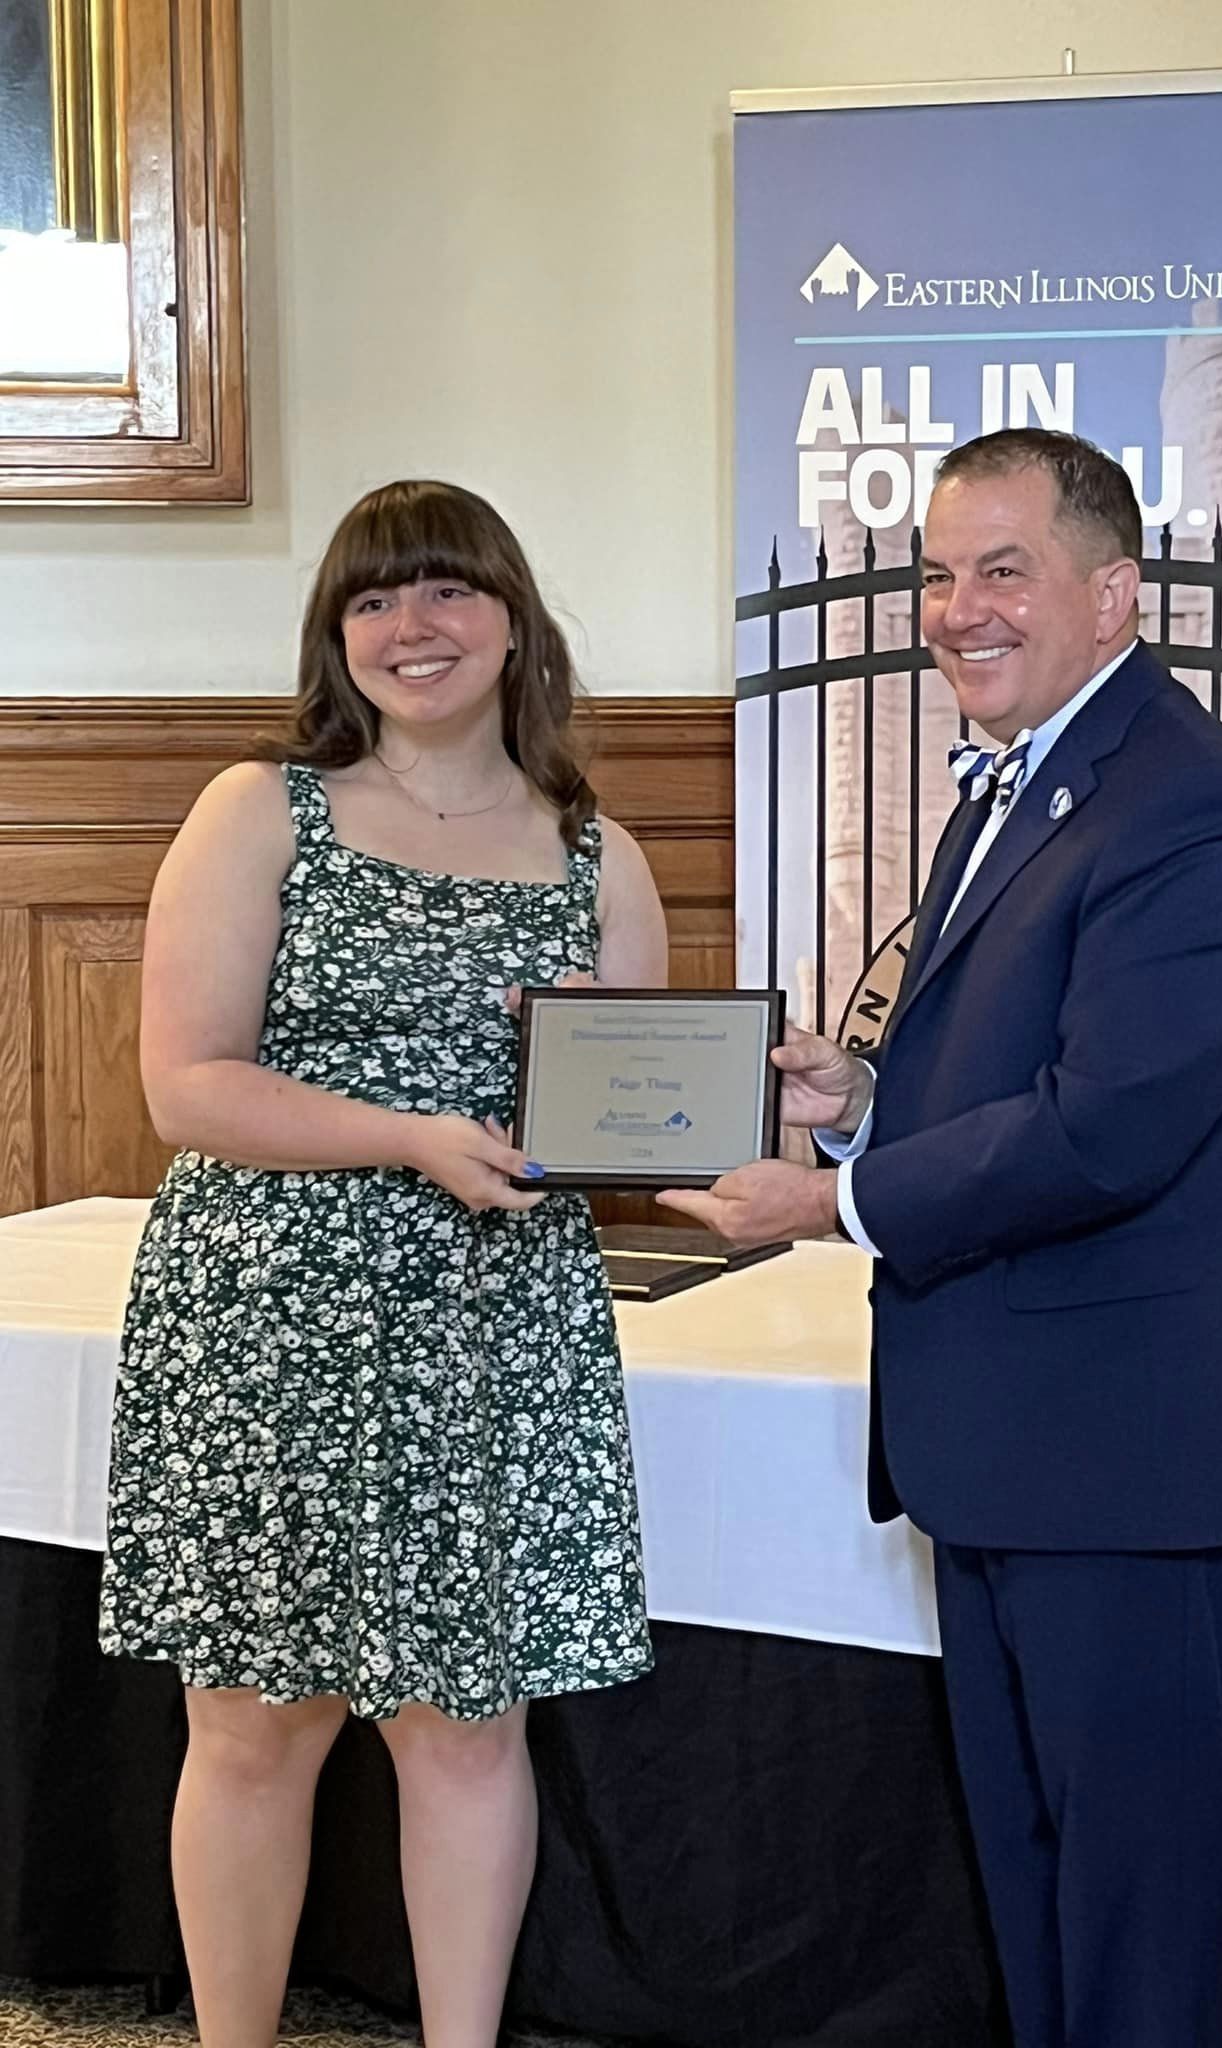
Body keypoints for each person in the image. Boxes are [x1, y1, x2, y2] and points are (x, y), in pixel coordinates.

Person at [660, 429, 1222, 2048]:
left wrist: (831, 1201)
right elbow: (1022, 1080)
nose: (957, 610)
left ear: (1117, 592)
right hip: (1018, 1446)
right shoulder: (1022, 782)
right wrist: (864, 1104)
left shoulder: (1199, 817)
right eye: (940, 575)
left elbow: (1107, 1130)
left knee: (1135, 1917)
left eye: (1003, 570)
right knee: (1036, 1887)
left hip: (1137, 1465)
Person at [100, 479, 668, 2048]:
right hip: (270, 1311)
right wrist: (408, 1130)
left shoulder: (594, 853)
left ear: (514, 621)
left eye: (446, 593)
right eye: (373, 601)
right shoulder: (255, 809)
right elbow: (185, 1086)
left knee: (469, 1725)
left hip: (497, 1322)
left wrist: (767, 1109)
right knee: (257, 1723)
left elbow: (632, 1128)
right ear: (334, 638)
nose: (410, 629)